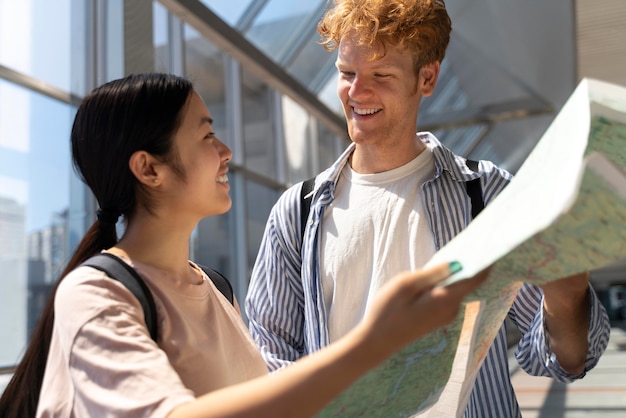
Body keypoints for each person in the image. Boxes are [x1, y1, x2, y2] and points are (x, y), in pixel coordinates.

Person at [0, 73, 487, 418]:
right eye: (207, 135)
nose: (226, 152)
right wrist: (373, 343)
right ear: (150, 169)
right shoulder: (94, 294)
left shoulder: (212, 287)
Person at [245, 1, 611, 417]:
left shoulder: (486, 194)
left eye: (381, 75)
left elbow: (566, 360)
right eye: (347, 73)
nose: (356, 91)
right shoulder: (298, 212)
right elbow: (270, 356)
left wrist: (566, 299)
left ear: (428, 78)